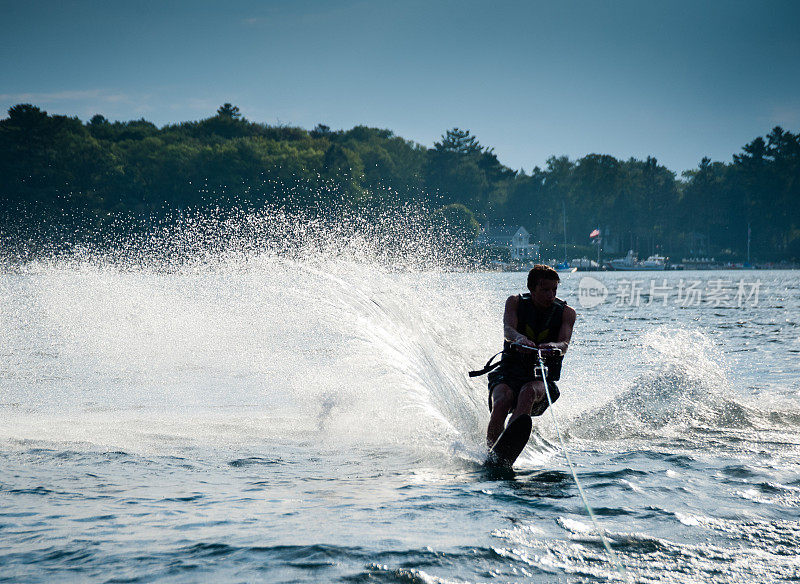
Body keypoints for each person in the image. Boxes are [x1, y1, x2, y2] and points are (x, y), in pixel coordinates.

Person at [486, 264, 576, 448]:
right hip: (509, 373)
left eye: (554, 290)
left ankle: (509, 445)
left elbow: (564, 343)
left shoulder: (567, 313)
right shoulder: (515, 302)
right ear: (531, 289)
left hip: (540, 381)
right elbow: (508, 329)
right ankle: (491, 450)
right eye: (545, 290)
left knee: (528, 392)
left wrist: (553, 346)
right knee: (503, 400)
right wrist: (519, 339)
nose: (551, 295)